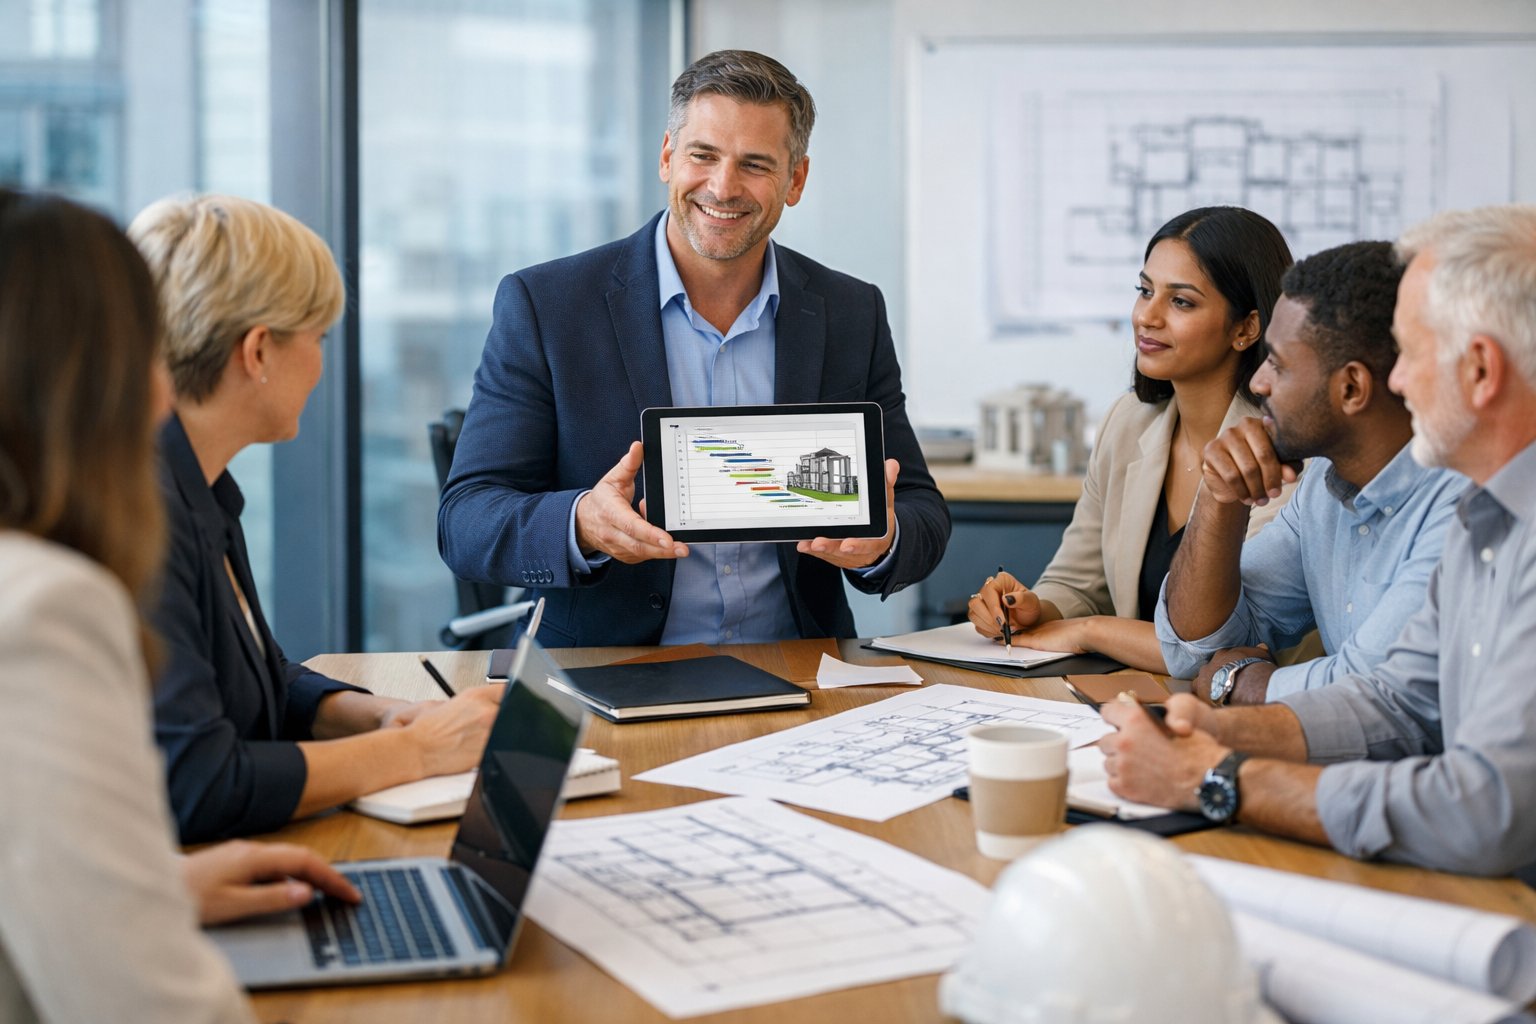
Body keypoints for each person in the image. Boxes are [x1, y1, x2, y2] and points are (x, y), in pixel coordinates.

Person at [438, 50, 949, 648]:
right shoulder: (548, 306)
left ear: (796, 180)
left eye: (755, 164)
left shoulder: (849, 312)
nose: (723, 187)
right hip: (610, 673)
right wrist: (581, 522)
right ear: (667, 157)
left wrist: (882, 541)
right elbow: (466, 521)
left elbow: (922, 512)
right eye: (702, 155)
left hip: (800, 674)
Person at [0, 188, 361, 1022]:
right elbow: (149, 1004)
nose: (161, 393)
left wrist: (158, 886)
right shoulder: (44, 605)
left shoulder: (199, 496)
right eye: (139, 358)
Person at [1101, 205, 1536, 877]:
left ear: (1479, 370)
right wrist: (1210, 727)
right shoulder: (1488, 511)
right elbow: (1395, 702)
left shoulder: (1477, 511)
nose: (1396, 379)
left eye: (1413, 353)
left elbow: (1486, 813)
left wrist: (1219, 776)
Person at [129, 194, 502, 843]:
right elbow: (200, 782)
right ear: (258, 352)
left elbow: (257, 679)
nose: (323, 364)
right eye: (319, 337)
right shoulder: (144, 519)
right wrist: (416, 754)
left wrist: (386, 716)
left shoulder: (201, 485)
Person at [968, 207, 1294, 672]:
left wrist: (1089, 630)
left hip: (1241, 712)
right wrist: (1032, 609)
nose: (1147, 316)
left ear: (1246, 328)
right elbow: (1079, 582)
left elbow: (1227, 645)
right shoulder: (1130, 421)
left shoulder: (1281, 451)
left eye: (1181, 302)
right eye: (1144, 291)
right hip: (1127, 701)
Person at [1156, 241, 1467, 704]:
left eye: (1277, 364)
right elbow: (1190, 648)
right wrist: (1219, 496)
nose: (1258, 382)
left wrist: (1237, 682)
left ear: (1351, 388)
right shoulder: (1323, 486)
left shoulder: (1463, 505)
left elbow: (1369, 694)